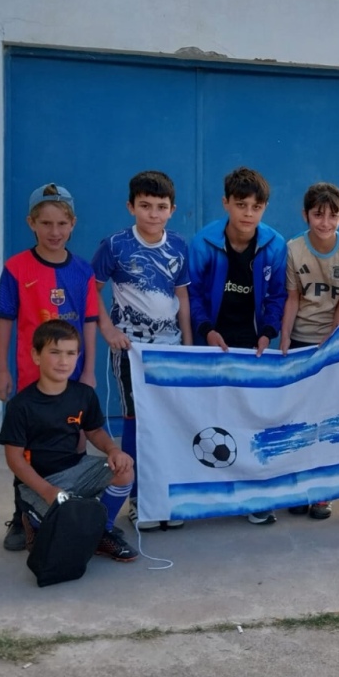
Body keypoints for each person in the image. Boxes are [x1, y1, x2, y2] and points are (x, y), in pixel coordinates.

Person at [0, 183, 99, 551]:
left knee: (75, 439)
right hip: (29, 375)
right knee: (26, 448)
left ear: (73, 224)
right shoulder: (16, 268)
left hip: (72, 374)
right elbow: (5, 319)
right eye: (46, 223)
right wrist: (1, 370)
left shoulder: (83, 271)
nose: (55, 232)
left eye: (62, 224)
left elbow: (89, 322)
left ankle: (70, 514)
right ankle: (22, 517)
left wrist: (89, 371)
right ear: (31, 223)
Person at [91, 170, 193, 532]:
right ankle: (137, 499)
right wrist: (107, 328)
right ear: (130, 206)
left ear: (172, 210)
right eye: (145, 206)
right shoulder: (115, 245)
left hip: (170, 349)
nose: (153, 213)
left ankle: (167, 496)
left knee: (169, 421)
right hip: (131, 349)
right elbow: (93, 288)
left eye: (161, 207)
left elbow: (182, 296)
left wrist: (189, 343)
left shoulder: (179, 246)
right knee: (136, 420)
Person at [188, 166, 288, 525]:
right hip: (212, 337)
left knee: (251, 415)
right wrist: (205, 329)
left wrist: (269, 331)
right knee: (211, 416)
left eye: (256, 206)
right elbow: (195, 294)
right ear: (225, 203)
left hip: (253, 341)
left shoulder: (274, 244)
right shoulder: (203, 242)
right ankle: (209, 491)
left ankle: (255, 496)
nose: (248, 213)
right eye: (241, 204)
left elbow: (277, 294)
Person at [0, 319, 138, 562]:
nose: (63, 361)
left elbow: (95, 432)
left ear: (77, 356)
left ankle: (101, 532)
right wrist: (47, 490)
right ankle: (32, 521)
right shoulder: (20, 406)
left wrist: (113, 450)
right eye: (55, 352)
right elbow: (14, 459)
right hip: (40, 483)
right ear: (36, 355)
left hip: (76, 469)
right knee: (60, 542)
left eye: (70, 353)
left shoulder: (83, 394)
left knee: (124, 470)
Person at [279, 182, 339, 520]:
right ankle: (298, 487)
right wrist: (284, 338)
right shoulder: (293, 249)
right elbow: (292, 297)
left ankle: (323, 492)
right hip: (300, 341)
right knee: (298, 416)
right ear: (305, 215)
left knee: (327, 417)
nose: (325, 222)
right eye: (318, 214)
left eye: (333, 215)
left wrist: (331, 339)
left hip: (333, 342)